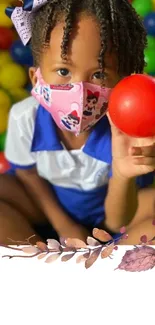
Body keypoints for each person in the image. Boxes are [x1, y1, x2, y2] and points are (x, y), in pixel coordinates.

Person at [2, 0, 155, 245]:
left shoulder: (126, 128)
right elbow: (27, 174)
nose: (80, 92)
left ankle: (115, 259)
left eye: (99, 74)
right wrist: (64, 224)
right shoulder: (25, 116)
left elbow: (117, 220)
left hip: (119, 211)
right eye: (63, 71)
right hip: (48, 206)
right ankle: (35, 257)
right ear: (36, 76)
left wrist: (122, 174)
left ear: (122, 81)